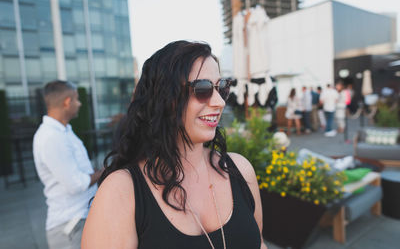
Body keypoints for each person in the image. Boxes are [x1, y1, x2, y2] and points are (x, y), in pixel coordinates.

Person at [81, 41, 267, 249]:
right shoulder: (122, 191)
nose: (220, 102)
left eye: (222, 87)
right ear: (164, 99)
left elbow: (258, 244)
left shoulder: (240, 170)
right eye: (203, 88)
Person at [33, 80, 104, 249]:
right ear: (67, 102)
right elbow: (76, 184)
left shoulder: (64, 131)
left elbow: (80, 172)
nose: (79, 104)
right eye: (77, 99)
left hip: (78, 220)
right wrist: (103, 172)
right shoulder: (51, 137)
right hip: (70, 227)